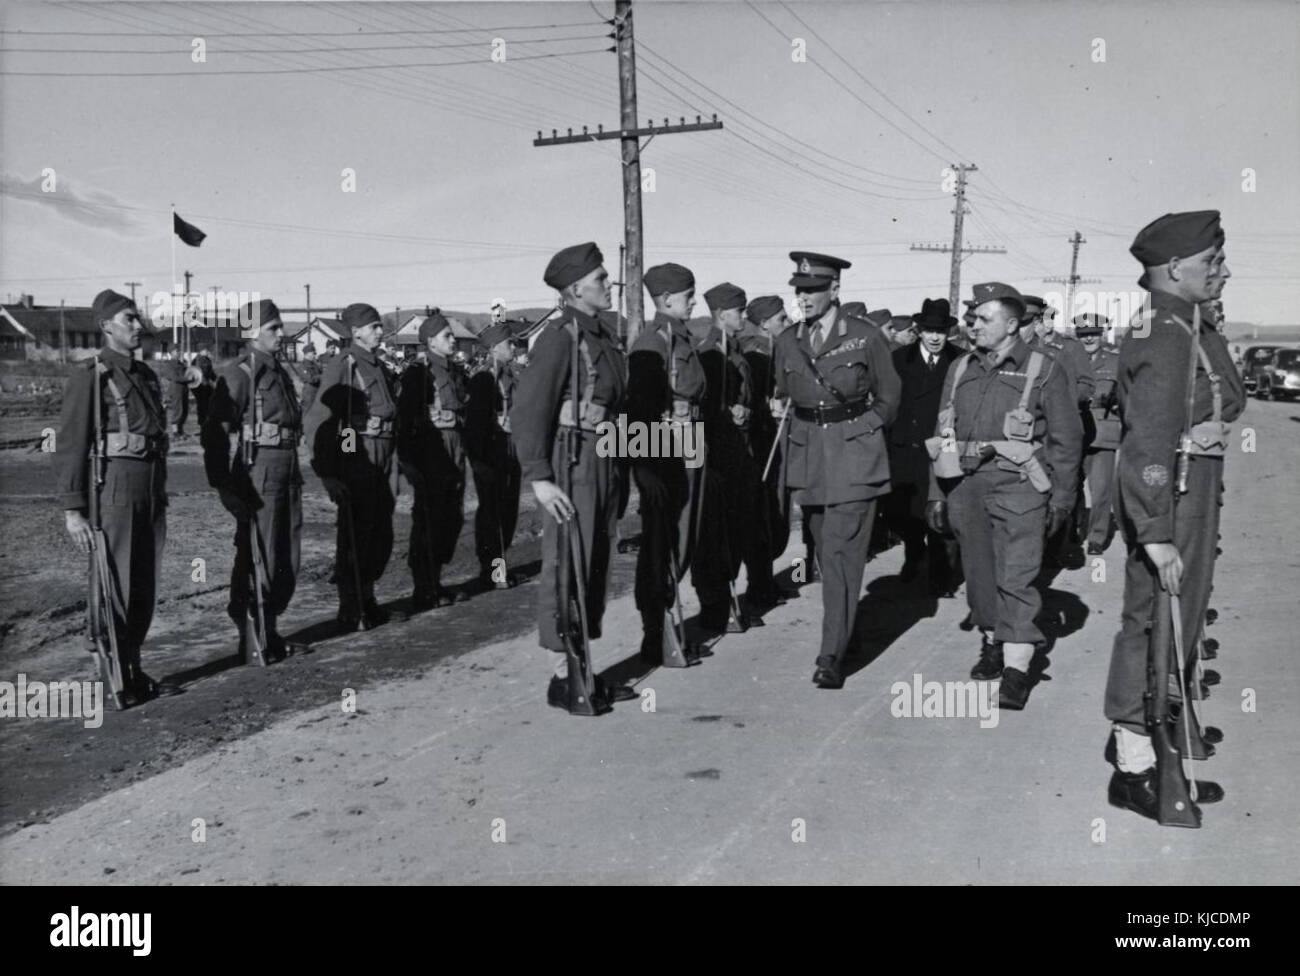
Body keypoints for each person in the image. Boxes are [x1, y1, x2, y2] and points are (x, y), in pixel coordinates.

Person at [1103, 210, 1244, 823]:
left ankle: (1161, 739)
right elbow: (1147, 442)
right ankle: (1136, 768)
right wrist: (1155, 531)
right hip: (1173, 495)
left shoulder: (1187, 324)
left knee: (1177, 622)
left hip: (1193, 490)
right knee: (1154, 623)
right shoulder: (1164, 334)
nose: (1224, 271)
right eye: (1214, 262)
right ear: (1176, 267)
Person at [926, 282, 1082, 709]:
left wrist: (1063, 499)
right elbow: (943, 433)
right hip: (966, 485)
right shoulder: (960, 368)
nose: (973, 325)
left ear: (1012, 324)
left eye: (983, 319)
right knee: (979, 576)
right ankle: (992, 641)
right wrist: (936, 493)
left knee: (1016, 576)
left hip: (1019, 486)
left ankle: (1016, 667)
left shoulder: (1045, 368)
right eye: (972, 318)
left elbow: (1067, 440)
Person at [510, 242, 634, 712]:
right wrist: (540, 477)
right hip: (572, 462)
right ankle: (564, 678)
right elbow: (529, 410)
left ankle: (584, 667)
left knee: (596, 561)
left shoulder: (602, 335)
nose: (608, 284)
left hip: (602, 457)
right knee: (568, 563)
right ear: (575, 288)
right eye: (601, 278)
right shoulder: (560, 337)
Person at [773, 252, 900, 689]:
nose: (803, 298)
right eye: (799, 290)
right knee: (827, 555)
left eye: (812, 290)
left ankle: (831, 655)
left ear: (835, 291)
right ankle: (845, 632)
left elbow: (889, 396)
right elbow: (783, 389)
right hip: (810, 460)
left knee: (842, 556)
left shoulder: (863, 337)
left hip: (853, 458)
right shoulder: (788, 340)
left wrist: (863, 430)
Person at [55, 290, 171, 704]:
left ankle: (132, 664)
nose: (138, 325)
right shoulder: (91, 374)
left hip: (150, 484)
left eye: (138, 318)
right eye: (129, 319)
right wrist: (74, 511)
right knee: (114, 580)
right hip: (114, 486)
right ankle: (113, 671)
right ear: (106, 325)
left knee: (144, 579)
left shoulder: (146, 376)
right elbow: (70, 444)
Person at [202, 299, 302, 662]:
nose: (282, 333)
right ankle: (251, 634)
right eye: (273, 327)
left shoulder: (279, 372)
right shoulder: (241, 373)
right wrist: (223, 485)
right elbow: (215, 432)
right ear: (252, 332)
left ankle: (270, 629)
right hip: (257, 469)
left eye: (280, 326)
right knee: (258, 552)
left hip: (287, 468)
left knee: (287, 554)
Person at [626, 262, 709, 665]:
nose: (694, 301)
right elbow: (638, 409)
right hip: (664, 449)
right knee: (661, 544)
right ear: (667, 299)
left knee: (682, 537)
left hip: (689, 441)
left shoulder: (682, 337)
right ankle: (654, 634)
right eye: (689, 295)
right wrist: (644, 469)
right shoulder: (652, 341)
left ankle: (668, 627)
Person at [303, 303, 399, 631]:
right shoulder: (344, 364)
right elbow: (328, 420)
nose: (379, 331)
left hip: (384, 453)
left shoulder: (377, 365)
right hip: (360, 452)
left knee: (380, 530)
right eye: (373, 327)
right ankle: (351, 605)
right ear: (355, 331)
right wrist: (338, 468)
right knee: (357, 532)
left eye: (379, 326)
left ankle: (368, 598)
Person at [692, 282, 766, 624]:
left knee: (734, 529)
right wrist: (730, 414)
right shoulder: (711, 352)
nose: (744, 316)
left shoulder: (732, 349)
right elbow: (705, 407)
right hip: (717, 455)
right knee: (714, 533)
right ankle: (714, 605)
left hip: (738, 452)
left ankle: (726, 599)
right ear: (722, 315)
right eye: (739, 311)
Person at [887, 298, 962, 596]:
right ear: (918, 330)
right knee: (902, 512)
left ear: (949, 333)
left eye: (941, 331)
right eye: (929, 330)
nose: (935, 337)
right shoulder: (898, 359)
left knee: (940, 513)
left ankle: (940, 576)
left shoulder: (959, 360)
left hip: (941, 447)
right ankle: (913, 554)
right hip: (905, 447)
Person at [397, 312, 472, 609]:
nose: (453, 340)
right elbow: (406, 420)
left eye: (452, 335)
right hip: (432, 448)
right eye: (447, 336)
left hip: (455, 446)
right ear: (430, 341)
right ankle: (423, 586)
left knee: (452, 516)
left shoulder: (454, 370)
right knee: (429, 519)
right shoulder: (419, 372)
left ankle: (436, 581)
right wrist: (409, 463)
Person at [467, 322, 525, 590]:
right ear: (493, 348)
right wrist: (479, 462)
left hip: (511, 450)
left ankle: (499, 567)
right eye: (508, 343)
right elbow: (476, 424)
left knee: (508, 511)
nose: (513, 347)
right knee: (493, 513)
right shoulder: (484, 378)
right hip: (492, 451)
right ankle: (492, 571)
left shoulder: (512, 374)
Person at [1075, 314, 1120, 554]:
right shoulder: (1068, 360)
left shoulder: (1115, 362)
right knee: (1071, 487)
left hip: (1103, 432)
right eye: (1083, 334)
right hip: (1074, 432)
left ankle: (1096, 537)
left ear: (1101, 334)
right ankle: (1073, 533)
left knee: (1101, 489)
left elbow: (1128, 395)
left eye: (1093, 333)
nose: (1088, 338)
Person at [299, 344, 323, 414]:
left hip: (317, 392)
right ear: (307, 354)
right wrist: (322, 376)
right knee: (307, 413)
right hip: (309, 394)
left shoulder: (315, 365)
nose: (315, 355)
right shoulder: (302, 366)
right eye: (313, 353)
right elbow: (311, 379)